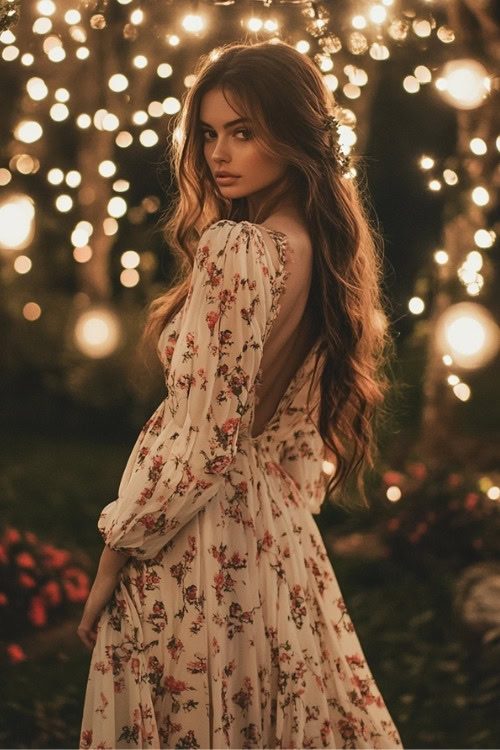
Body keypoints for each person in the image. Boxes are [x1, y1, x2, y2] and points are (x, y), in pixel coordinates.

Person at [78, 40, 403, 749]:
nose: (219, 154)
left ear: (294, 136)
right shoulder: (320, 250)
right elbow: (287, 442)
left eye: (244, 132)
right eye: (209, 133)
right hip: (275, 535)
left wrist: (118, 545)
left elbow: (203, 434)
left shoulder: (239, 249)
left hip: (197, 539)